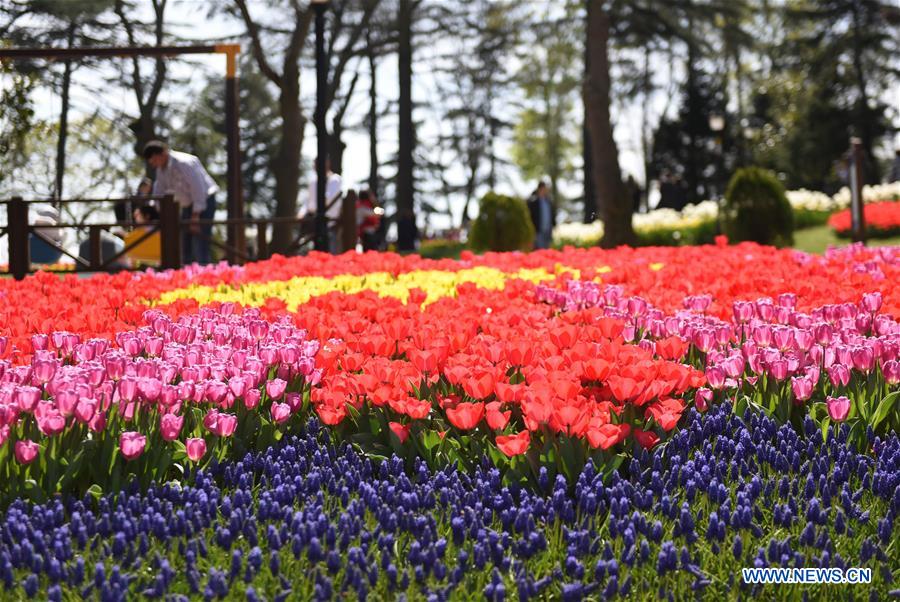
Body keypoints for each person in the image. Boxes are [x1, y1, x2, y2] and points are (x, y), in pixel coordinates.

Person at [142, 140, 218, 265]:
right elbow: (159, 191)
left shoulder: (184, 163)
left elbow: (198, 188)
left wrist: (195, 215)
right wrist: (155, 211)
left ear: (161, 154)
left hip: (204, 201)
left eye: (154, 161)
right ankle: (185, 275)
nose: (154, 165)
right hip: (187, 205)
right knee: (184, 242)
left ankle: (205, 273)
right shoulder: (161, 170)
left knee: (200, 241)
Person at [300, 157, 343, 252]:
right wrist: (302, 213)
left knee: (330, 254)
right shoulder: (313, 182)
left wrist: (311, 209)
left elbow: (328, 200)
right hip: (312, 224)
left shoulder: (334, 180)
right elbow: (308, 201)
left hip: (329, 225)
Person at [527, 181, 555, 250]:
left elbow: (552, 215)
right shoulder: (533, 202)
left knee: (547, 251)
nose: (546, 190)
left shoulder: (548, 201)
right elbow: (530, 217)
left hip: (548, 231)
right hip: (538, 231)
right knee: (539, 250)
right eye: (545, 188)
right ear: (540, 189)